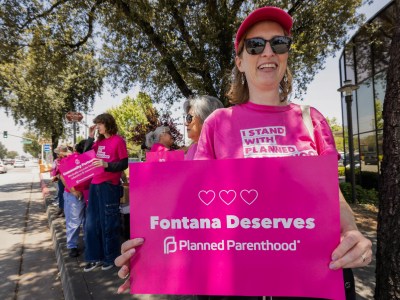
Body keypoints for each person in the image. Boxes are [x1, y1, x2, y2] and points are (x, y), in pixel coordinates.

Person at [115, 6, 372, 299]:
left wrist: (352, 232)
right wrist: (149, 255)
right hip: (239, 281)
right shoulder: (218, 123)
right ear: (239, 61)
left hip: (309, 277)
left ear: (286, 54)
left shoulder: (310, 119)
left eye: (278, 43)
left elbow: (331, 196)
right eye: (255, 45)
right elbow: (196, 206)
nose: (268, 52)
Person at [83, 113, 128, 272]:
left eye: (100, 124)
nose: (98, 127)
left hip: (109, 186)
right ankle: (95, 257)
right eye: (97, 124)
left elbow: (124, 163)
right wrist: (89, 137)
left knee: (109, 223)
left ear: (108, 124)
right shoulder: (98, 142)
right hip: (95, 185)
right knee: (91, 224)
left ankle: (110, 257)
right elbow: (85, 155)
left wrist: (106, 164)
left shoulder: (118, 141)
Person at [59, 140, 87, 258]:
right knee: (74, 222)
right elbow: (62, 176)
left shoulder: (90, 159)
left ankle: (88, 244)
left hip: (87, 193)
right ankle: (72, 246)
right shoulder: (71, 159)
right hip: (74, 195)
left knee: (87, 222)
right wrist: (73, 191)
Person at [183, 95, 224, 160]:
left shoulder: (228, 148)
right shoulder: (192, 150)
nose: (185, 123)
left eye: (189, 118)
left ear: (206, 117)